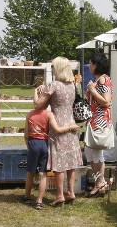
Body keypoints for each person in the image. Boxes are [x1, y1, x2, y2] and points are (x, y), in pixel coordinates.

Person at [33, 56, 83, 205]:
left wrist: (36, 91)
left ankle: (60, 195)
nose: (52, 69)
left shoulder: (53, 85)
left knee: (59, 163)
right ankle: (71, 192)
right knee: (71, 161)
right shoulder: (72, 85)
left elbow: (38, 105)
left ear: (58, 69)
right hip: (71, 124)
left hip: (58, 125)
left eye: (53, 67)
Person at [22, 96, 78, 209]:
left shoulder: (30, 114)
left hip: (33, 143)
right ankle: (39, 200)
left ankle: (27, 196)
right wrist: (70, 127)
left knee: (30, 172)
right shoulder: (49, 114)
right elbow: (57, 129)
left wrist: (29, 146)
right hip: (44, 144)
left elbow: (26, 135)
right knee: (43, 173)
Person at [85, 53, 114, 197]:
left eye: (90, 63)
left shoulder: (102, 80)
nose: (89, 66)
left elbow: (106, 101)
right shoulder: (98, 80)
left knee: (96, 153)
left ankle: (100, 183)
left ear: (96, 65)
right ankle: (99, 182)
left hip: (100, 121)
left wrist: (92, 90)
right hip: (93, 120)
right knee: (90, 153)